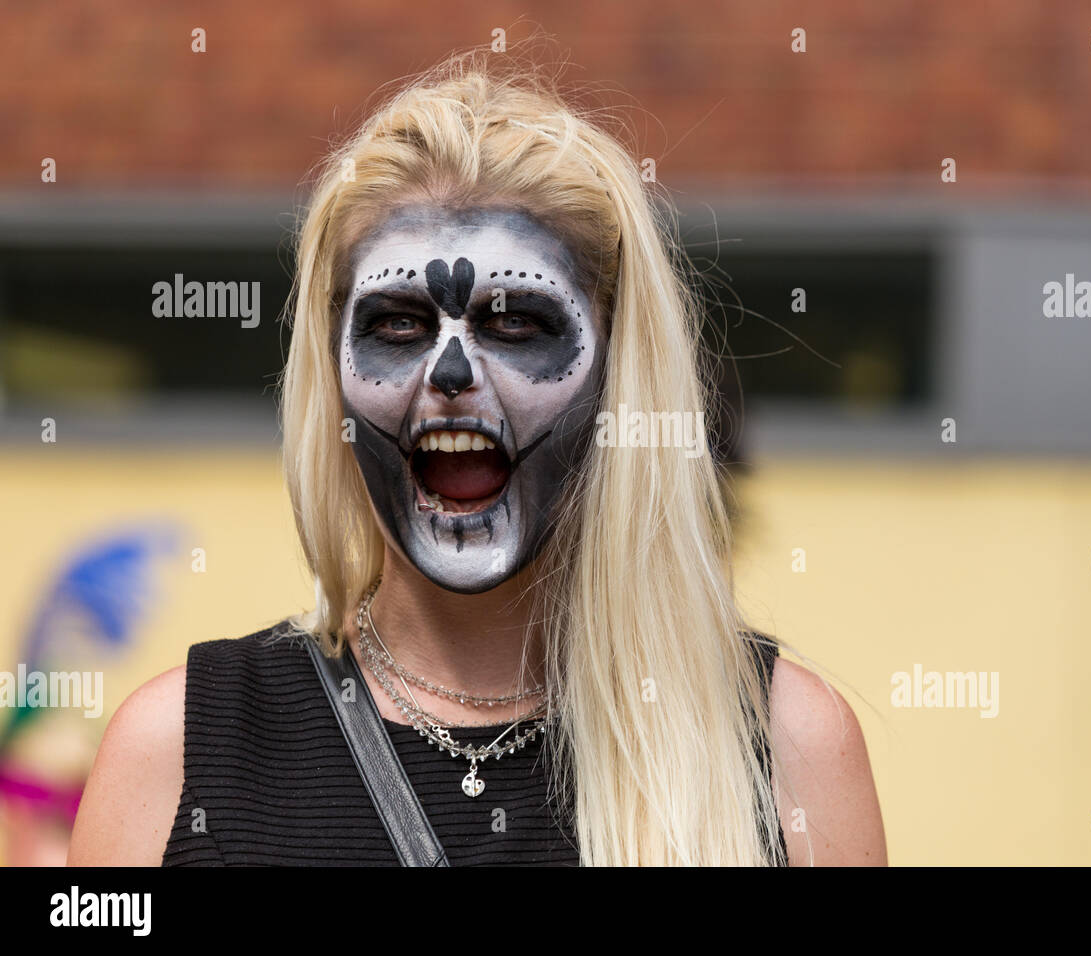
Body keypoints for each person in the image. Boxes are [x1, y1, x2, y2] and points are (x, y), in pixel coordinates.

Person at [68, 50, 886, 867]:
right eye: (396, 325)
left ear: (616, 366)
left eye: (517, 324)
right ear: (332, 366)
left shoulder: (786, 750)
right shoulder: (175, 753)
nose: (451, 377)